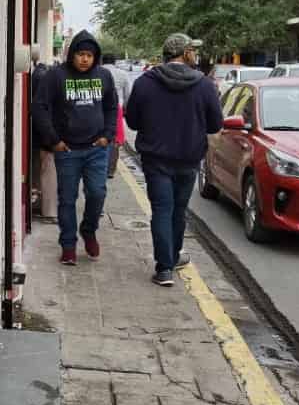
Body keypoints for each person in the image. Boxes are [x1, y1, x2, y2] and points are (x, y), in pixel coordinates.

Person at [125, 33, 223, 286]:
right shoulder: (204, 85)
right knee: (179, 210)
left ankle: (164, 269)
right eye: (193, 50)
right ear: (186, 53)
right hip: (188, 159)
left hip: (155, 159)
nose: (195, 55)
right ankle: (174, 255)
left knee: (161, 210)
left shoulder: (145, 83)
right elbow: (215, 125)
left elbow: (132, 121)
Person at [32, 30, 117, 265]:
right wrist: (54, 140)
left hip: (96, 149)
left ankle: (88, 230)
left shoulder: (104, 76)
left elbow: (112, 107)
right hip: (67, 150)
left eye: (89, 55)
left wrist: (107, 136)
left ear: (95, 56)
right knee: (67, 199)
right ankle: (68, 245)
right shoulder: (56, 76)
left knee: (97, 193)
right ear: (72, 55)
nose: (84, 59)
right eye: (80, 54)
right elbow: (39, 107)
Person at [101, 54, 135, 178]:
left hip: (97, 108)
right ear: (114, 62)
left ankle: (98, 167)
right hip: (116, 109)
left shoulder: (97, 72)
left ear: (102, 61)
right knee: (114, 138)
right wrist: (125, 109)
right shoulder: (122, 74)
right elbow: (128, 95)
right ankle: (110, 170)